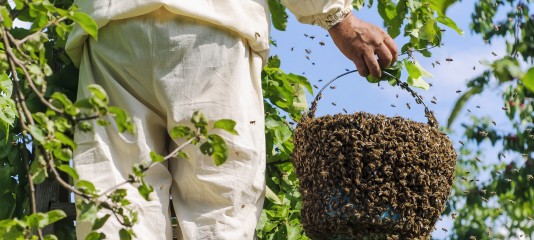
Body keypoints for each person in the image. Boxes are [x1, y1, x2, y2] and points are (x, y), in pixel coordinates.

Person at [66, 1, 398, 239]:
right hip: (212, 25)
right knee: (218, 207)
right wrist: (338, 16)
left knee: (118, 197)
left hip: (112, 27)